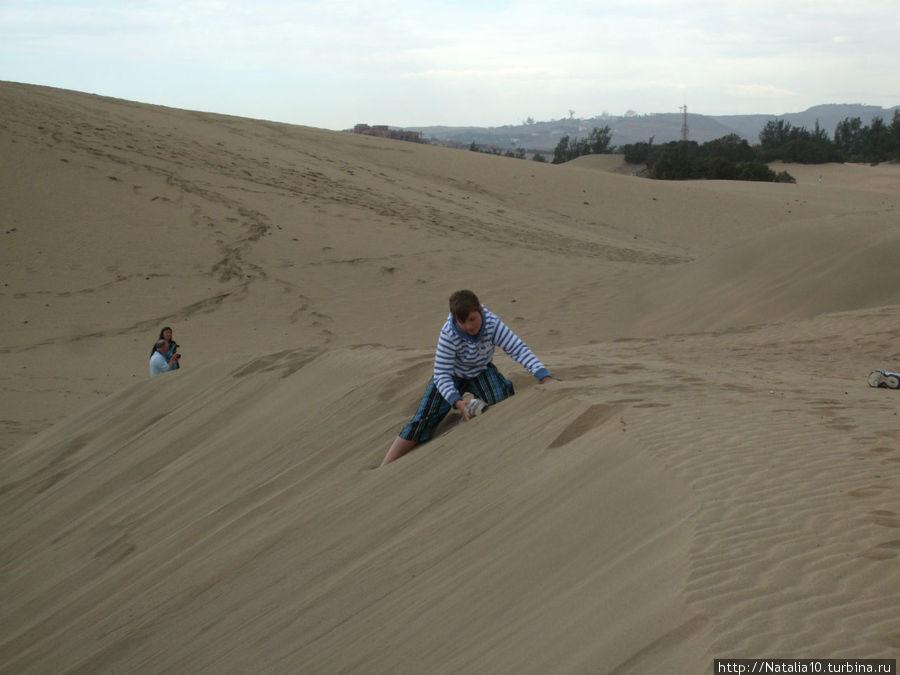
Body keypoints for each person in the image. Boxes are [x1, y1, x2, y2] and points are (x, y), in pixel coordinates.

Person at [381, 289, 553, 466]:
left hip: (481, 370)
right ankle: (385, 466)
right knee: (423, 419)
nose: (469, 326)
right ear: (455, 319)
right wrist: (456, 401)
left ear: (480, 310)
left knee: (503, 401)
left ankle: (471, 415)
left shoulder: (492, 323)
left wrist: (543, 376)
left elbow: (517, 349)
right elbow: (441, 374)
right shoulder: (449, 333)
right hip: (452, 376)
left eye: (472, 319)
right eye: (462, 322)